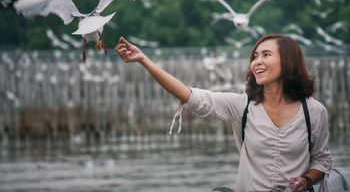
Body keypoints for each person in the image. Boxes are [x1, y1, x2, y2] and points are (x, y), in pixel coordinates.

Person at [115, 34, 332, 192]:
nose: (257, 61)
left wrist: (305, 180)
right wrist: (144, 60)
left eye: (266, 55)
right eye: (255, 56)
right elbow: (189, 95)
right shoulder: (243, 106)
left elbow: (321, 161)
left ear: (288, 62)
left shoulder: (313, 111)